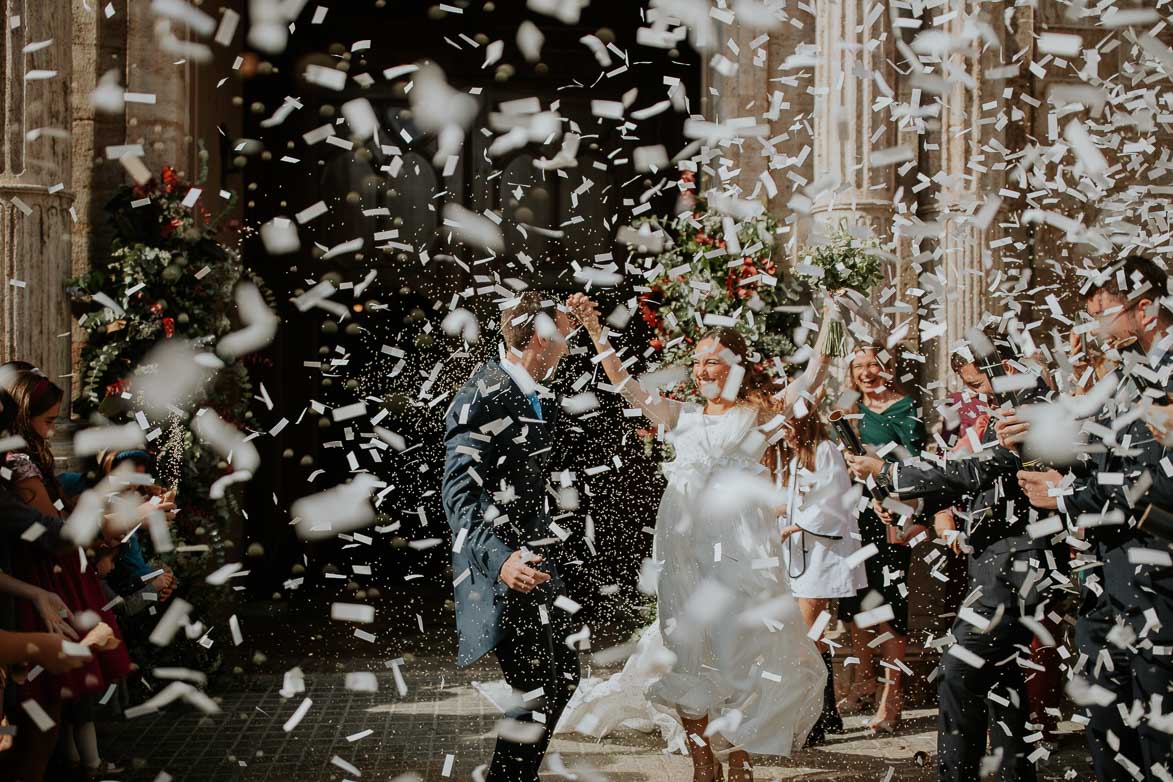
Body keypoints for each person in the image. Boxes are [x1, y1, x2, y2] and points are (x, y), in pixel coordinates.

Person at [564, 293, 839, 782]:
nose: (701, 371)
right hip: (683, 555)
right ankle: (700, 765)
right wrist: (595, 332)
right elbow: (626, 386)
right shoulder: (681, 416)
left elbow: (812, 378)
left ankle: (739, 760)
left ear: (734, 365)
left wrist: (832, 321)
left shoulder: (759, 417)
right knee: (687, 653)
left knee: (739, 654)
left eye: (711, 362)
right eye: (696, 363)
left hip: (741, 556)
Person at [846, 330, 1054, 781]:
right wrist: (908, 504)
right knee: (1002, 678)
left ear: (1003, 367)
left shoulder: (1030, 404)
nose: (971, 394)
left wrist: (890, 470)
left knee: (960, 670)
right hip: (992, 557)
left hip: (1019, 556)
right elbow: (959, 482)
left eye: (977, 383)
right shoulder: (993, 412)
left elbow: (974, 469)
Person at [999, 256, 1173, 782]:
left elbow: (1160, 484)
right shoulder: (1125, 377)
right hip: (1111, 582)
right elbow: (1109, 458)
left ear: (1144, 309)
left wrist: (1069, 499)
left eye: (1103, 313)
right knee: (1109, 729)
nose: (1095, 327)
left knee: (1159, 738)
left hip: (1160, 581)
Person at [442, 291, 582, 782]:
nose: (568, 346)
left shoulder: (523, 386)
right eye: (563, 335)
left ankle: (517, 775)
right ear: (540, 340)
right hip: (506, 571)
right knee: (537, 689)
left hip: (536, 561)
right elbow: (460, 497)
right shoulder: (482, 394)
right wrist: (502, 560)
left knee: (562, 677)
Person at [0, 372, 132, 781]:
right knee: (34, 725)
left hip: (32, 588)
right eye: (49, 420)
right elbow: (48, 530)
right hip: (32, 589)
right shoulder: (16, 465)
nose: (54, 429)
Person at [834, 346, 926, 733]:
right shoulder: (849, 409)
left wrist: (903, 513)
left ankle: (893, 696)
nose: (866, 372)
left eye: (874, 364)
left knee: (889, 605)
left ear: (889, 369)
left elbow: (917, 467)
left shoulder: (906, 410)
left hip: (889, 514)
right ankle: (863, 681)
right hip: (854, 518)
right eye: (858, 366)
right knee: (858, 603)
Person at [775, 406, 864, 746]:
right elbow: (793, 501)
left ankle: (814, 719)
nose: (786, 435)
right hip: (803, 555)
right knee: (811, 635)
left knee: (807, 636)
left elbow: (832, 502)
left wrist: (795, 525)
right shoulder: (799, 457)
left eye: (791, 427)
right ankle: (827, 713)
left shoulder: (825, 451)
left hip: (823, 557)